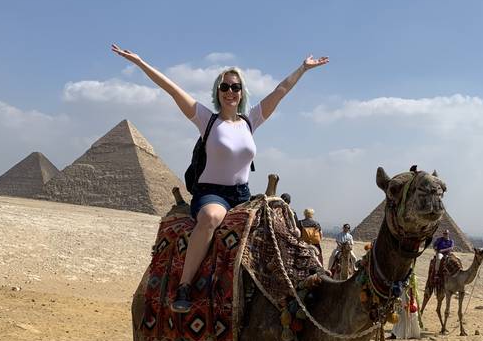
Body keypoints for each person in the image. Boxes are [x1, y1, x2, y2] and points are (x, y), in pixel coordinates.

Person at [111, 44, 328, 311]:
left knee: (279, 228)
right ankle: (185, 286)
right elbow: (171, 89)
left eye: (235, 87)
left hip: (243, 195)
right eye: (224, 87)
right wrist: (140, 62)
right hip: (212, 194)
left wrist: (303, 68)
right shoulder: (206, 120)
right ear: (218, 91)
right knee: (211, 218)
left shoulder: (251, 121)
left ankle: (284, 295)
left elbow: (280, 91)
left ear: (241, 92)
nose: (230, 92)